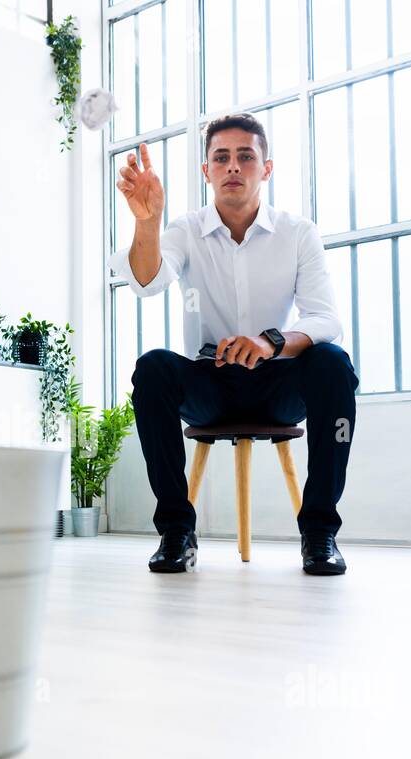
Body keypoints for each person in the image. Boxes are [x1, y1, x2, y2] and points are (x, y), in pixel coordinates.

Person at [107, 113, 358, 575]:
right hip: (211, 386)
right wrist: (149, 221)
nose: (233, 167)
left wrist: (271, 343)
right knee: (153, 368)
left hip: (276, 385)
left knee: (333, 363)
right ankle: (176, 531)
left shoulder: (298, 232)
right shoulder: (185, 229)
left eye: (246, 157)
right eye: (221, 158)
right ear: (207, 171)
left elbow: (326, 318)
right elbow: (146, 282)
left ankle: (320, 533)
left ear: (266, 168)